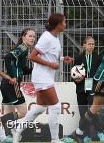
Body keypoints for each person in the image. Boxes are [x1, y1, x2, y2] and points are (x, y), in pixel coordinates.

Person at [11, 13, 73, 143]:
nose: (66, 24)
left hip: (44, 77)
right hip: (42, 77)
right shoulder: (47, 37)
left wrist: (62, 59)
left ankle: (17, 130)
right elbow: (32, 56)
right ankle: (55, 140)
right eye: (64, 22)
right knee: (55, 107)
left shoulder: (54, 38)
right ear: (58, 24)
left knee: (40, 108)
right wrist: (51, 64)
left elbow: (48, 55)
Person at [0, 28, 36, 126]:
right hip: (12, 84)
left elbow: (22, 70)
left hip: (6, 84)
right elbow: (7, 58)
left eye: (34, 36)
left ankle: (1, 135)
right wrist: (12, 76)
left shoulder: (24, 49)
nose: (33, 38)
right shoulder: (23, 48)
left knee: (8, 114)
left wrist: (34, 69)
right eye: (30, 36)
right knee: (23, 112)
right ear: (23, 37)